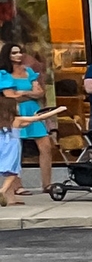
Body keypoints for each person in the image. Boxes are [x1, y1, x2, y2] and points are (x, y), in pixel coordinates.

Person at [1, 39, 50, 194]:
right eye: (14, 52)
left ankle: (47, 184)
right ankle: (17, 186)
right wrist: (29, 94)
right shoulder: (4, 74)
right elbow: (10, 96)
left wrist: (23, 93)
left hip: (33, 111)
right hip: (14, 112)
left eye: (19, 52)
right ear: (7, 55)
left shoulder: (28, 71)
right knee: (16, 149)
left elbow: (40, 92)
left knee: (46, 146)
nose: (19, 55)